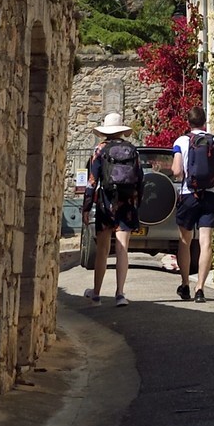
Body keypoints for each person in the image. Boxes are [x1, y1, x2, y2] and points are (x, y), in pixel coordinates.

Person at [84, 111, 145, 305]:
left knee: (102, 249)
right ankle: (120, 294)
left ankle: (96, 293)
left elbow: (91, 182)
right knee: (122, 249)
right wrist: (137, 203)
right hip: (126, 203)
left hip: (105, 203)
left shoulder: (99, 150)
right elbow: (140, 180)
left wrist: (86, 208)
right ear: (121, 131)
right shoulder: (132, 150)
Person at [171, 105, 214, 301]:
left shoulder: (181, 141)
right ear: (205, 121)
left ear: (189, 122)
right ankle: (200, 289)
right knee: (206, 243)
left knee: (185, 242)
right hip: (210, 195)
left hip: (188, 195)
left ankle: (185, 284)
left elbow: (177, 171)